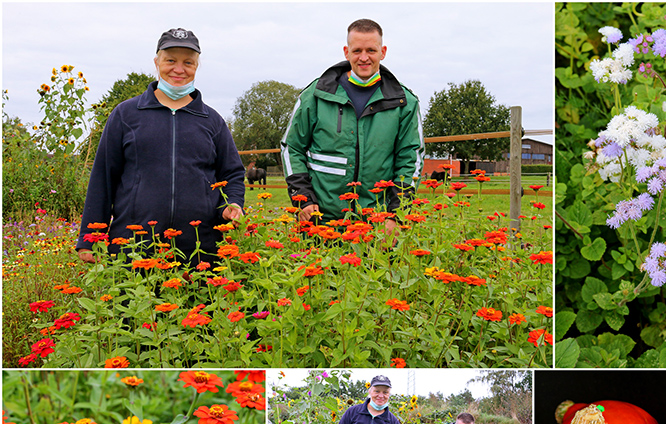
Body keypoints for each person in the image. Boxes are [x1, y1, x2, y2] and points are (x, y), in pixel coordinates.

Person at [76, 28, 245, 267]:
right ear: (157, 62)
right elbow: (103, 178)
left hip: (201, 251)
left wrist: (233, 204)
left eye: (188, 62)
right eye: (170, 60)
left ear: (197, 65)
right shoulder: (126, 115)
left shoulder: (212, 121)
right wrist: (89, 239)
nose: (179, 69)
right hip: (133, 248)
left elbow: (232, 174)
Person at [280, 18, 424, 241]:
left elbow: (410, 159)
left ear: (383, 52)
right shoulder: (315, 95)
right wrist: (303, 198)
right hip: (322, 222)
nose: (364, 57)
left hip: (377, 226)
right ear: (346, 52)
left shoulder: (405, 102)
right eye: (357, 50)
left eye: (371, 50)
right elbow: (292, 148)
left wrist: (395, 215)